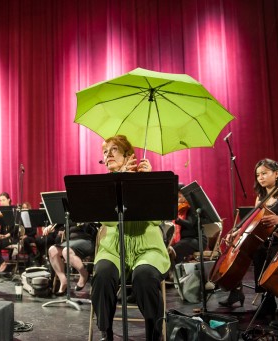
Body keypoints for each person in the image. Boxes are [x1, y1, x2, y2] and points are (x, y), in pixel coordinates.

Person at [91, 135, 170, 341]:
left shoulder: (145, 178)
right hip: (114, 248)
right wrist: (120, 182)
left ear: (128, 156)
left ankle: (154, 335)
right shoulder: (104, 185)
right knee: (102, 274)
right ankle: (106, 333)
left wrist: (148, 183)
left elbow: (156, 220)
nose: (107, 155)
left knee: (144, 276)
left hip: (147, 247)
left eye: (113, 150)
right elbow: (108, 222)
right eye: (105, 152)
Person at [222, 159, 278, 336]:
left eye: (264, 173)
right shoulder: (260, 198)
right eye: (258, 175)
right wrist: (237, 232)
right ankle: (267, 299)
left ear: (276, 174)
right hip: (267, 240)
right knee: (258, 250)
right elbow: (253, 221)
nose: (260, 177)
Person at [48, 222, 97, 295]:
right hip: (70, 242)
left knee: (66, 251)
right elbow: (59, 222)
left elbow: (95, 227)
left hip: (87, 240)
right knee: (52, 250)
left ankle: (84, 274)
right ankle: (63, 281)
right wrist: (50, 226)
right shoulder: (69, 214)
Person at [167, 184, 207, 264]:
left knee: (174, 249)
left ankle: (173, 272)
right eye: (177, 197)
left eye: (179, 196)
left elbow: (190, 224)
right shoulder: (179, 209)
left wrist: (177, 219)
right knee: (169, 248)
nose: (178, 199)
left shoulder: (192, 208)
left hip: (197, 240)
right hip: (185, 240)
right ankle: (175, 271)